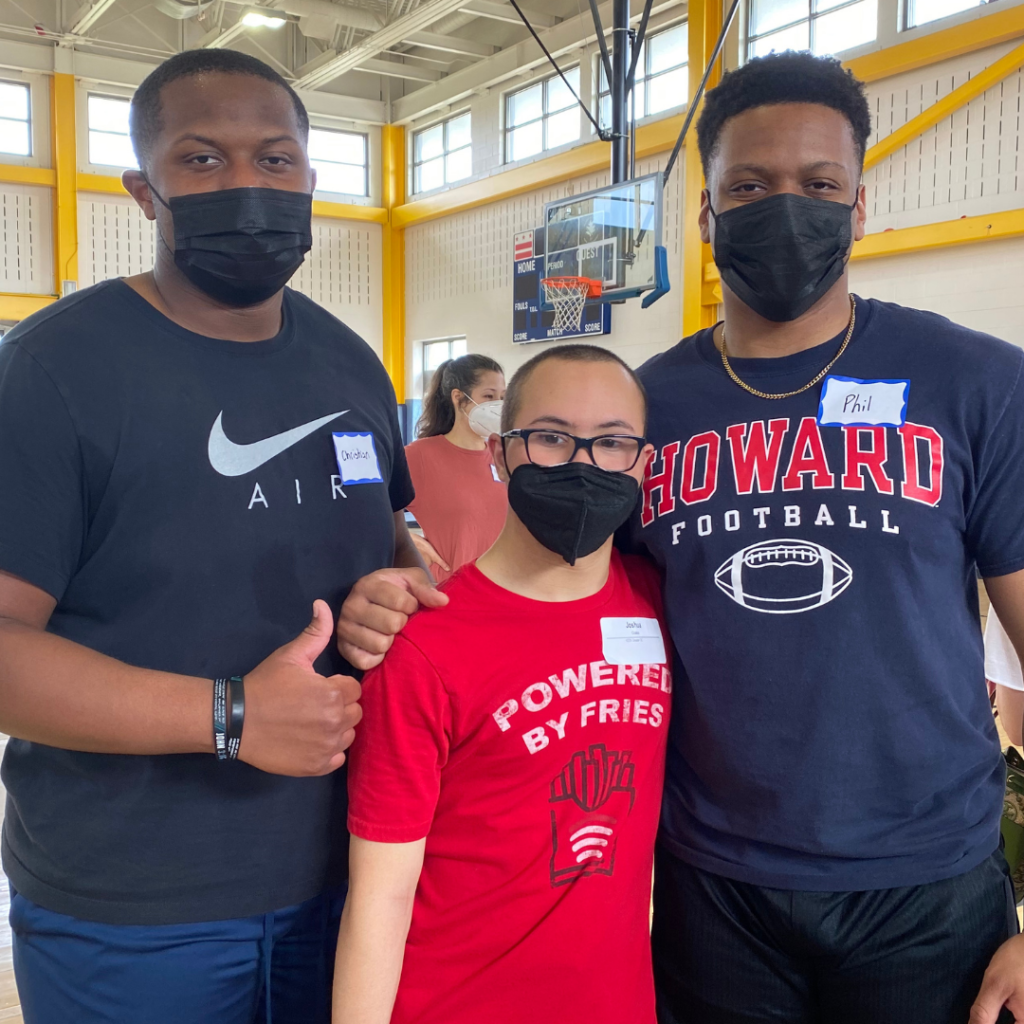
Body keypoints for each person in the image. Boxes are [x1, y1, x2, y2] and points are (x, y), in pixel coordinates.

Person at [336, 52, 1024, 1024]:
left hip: (923, 887)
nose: (784, 207)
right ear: (705, 216)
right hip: (714, 886)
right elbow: (564, 594)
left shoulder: (975, 383)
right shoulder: (643, 408)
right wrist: (403, 592)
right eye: (748, 185)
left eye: (817, 185)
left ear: (858, 206)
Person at [0, 49, 434, 1024]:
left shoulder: (348, 361)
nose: (246, 184)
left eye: (275, 160)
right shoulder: (51, 372)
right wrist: (228, 714)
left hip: (351, 878)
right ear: (143, 192)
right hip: (134, 910)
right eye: (201, 160)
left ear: (311, 179)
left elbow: (400, 545)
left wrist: (396, 591)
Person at [332, 345, 668, 1024]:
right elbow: (379, 898)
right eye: (550, 437)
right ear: (499, 453)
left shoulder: (661, 603)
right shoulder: (424, 647)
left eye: (611, 442)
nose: (582, 462)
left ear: (643, 464)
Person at [405, 354, 507, 581]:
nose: (497, 405)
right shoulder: (421, 455)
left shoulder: (503, 453)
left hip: (504, 590)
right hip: (451, 592)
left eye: (502, 397)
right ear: (458, 398)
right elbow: (369, 511)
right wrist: (409, 540)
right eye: (489, 396)